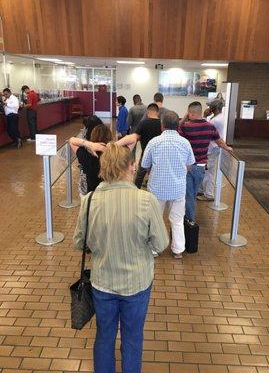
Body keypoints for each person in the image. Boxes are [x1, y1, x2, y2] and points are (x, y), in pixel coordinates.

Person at [73, 142, 169, 373]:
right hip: (137, 283)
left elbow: (79, 242)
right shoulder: (146, 201)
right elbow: (161, 244)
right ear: (132, 166)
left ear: (103, 168)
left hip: (102, 282)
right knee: (133, 338)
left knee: (104, 336)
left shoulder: (89, 201)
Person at [142, 111, 195, 258]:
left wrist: (152, 171)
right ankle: (178, 250)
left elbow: (145, 165)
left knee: (155, 220)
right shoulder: (185, 143)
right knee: (177, 220)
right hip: (178, 189)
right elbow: (190, 165)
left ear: (162, 125)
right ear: (177, 125)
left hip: (157, 189)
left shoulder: (154, 142)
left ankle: (154, 249)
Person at [178, 101, 232, 221]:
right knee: (193, 193)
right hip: (201, 167)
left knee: (189, 196)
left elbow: (176, 129)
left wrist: (184, 117)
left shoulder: (186, 127)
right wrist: (227, 148)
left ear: (190, 113)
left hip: (188, 166)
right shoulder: (210, 126)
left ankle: (189, 220)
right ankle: (189, 218)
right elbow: (219, 141)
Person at [117, 103, 162, 188]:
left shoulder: (143, 123)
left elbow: (135, 138)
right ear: (158, 112)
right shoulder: (162, 124)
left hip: (145, 154)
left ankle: (136, 190)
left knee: (139, 175)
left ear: (147, 112)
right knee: (157, 174)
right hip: (159, 155)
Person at [69, 124, 112, 195]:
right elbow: (133, 138)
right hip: (109, 196)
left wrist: (90, 144)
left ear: (93, 136)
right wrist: (111, 146)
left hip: (91, 197)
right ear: (109, 137)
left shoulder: (86, 155)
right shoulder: (115, 155)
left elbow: (71, 140)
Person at [200, 98, 226, 200]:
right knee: (208, 170)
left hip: (212, 148)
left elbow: (204, 129)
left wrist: (204, 116)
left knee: (209, 171)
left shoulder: (216, 120)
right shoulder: (218, 117)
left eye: (210, 106)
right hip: (213, 148)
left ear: (213, 108)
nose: (208, 108)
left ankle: (208, 194)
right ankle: (204, 191)